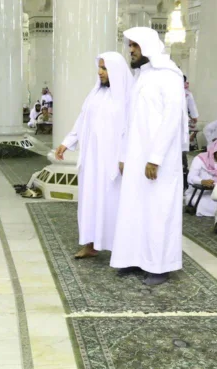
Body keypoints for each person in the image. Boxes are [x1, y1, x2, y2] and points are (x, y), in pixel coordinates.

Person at [110, 27, 187, 286]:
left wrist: (155, 157)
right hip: (136, 157)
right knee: (134, 208)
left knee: (158, 210)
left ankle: (159, 266)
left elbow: (171, 118)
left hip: (158, 160)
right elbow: (130, 121)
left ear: (148, 46)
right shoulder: (141, 76)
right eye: (130, 45)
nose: (131, 50)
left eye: (135, 45)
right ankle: (134, 258)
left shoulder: (169, 75)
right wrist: (124, 155)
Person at [55, 52, 132, 259]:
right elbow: (82, 120)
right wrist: (67, 142)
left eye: (104, 68)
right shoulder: (95, 94)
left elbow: (131, 130)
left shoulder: (127, 98)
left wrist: (124, 157)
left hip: (113, 162)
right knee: (89, 201)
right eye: (99, 67)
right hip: (91, 160)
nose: (100, 72)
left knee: (112, 203)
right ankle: (90, 245)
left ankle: (120, 249)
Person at [184, 138, 217, 217]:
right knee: (212, 206)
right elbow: (191, 177)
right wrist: (202, 181)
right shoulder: (200, 159)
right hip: (198, 194)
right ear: (215, 149)